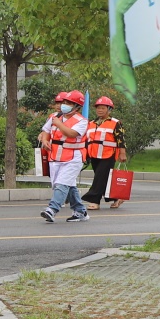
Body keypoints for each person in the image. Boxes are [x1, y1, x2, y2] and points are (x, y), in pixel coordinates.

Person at [40, 91, 89, 223]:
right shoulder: (55, 116)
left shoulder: (82, 121)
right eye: (64, 102)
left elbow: (71, 133)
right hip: (55, 156)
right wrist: (45, 140)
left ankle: (52, 210)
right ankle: (80, 211)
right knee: (67, 186)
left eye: (68, 103)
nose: (64, 105)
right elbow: (46, 130)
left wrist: (59, 123)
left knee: (61, 184)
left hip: (73, 158)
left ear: (77, 107)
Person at [83, 96, 129, 211]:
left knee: (99, 177)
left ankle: (94, 200)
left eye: (103, 108)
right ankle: (116, 198)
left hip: (108, 155)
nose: (100, 110)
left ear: (109, 110)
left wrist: (122, 153)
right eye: (98, 108)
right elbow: (87, 139)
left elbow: (121, 139)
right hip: (94, 154)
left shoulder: (115, 123)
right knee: (103, 179)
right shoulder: (91, 123)